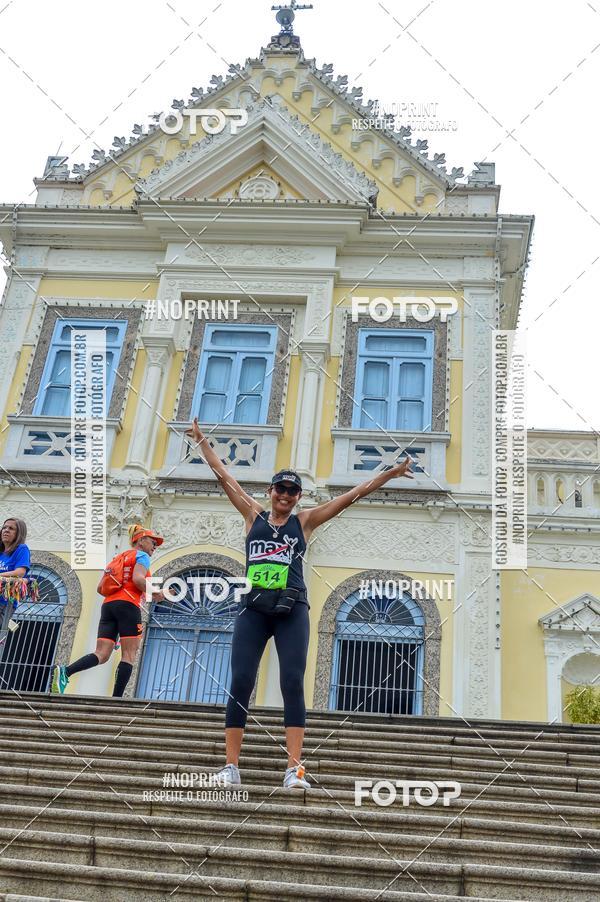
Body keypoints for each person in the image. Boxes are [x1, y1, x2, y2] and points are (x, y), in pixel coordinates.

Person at [185, 417, 414, 790]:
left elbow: (352, 496)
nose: (285, 495)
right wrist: (201, 442)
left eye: (292, 491)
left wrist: (389, 474)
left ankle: (294, 769)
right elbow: (222, 474)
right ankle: (230, 766)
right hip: (253, 609)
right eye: (281, 489)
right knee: (241, 679)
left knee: (292, 681)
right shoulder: (252, 514)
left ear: (298, 497)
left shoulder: (304, 522)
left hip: (292, 610)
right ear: (271, 490)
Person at [52, 524, 164, 698]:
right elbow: (138, 579)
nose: (155, 546)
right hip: (128, 605)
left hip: (109, 605)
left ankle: (65, 672)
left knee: (102, 654)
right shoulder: (141, 555)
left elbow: (102, 586)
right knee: (129, 654)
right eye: (152, 541)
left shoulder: (120, 556)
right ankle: (117, 699)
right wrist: (157, 593)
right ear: (141, 541)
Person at [0, 518, 32, 615]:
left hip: (4, 603)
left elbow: (20, 572)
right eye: (4, 527)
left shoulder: (21, 549)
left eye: (11, 528)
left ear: (18, 534)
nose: (6, 530)